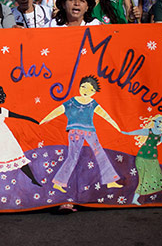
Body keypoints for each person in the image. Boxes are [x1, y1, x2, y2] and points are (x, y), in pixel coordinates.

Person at [40, 76, 122, 212]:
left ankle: (110, 180)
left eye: (90, 89)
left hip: (90, 132)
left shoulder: (93, 103)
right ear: (79, 86)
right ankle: (59, 182)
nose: (86, 90)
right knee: (73, 157)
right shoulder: (71, 102)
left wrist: (116, 125)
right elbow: (57, 111)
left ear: (94, 92)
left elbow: (105, 115)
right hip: (75, 132)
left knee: (100, 153)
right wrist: (44, 120)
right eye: (83, 86)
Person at [121, 115, 162, 205]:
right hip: (142, 158)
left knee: (159, 178)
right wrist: (126, 133)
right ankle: (135, 199)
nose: (157, 123)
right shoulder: (149, 131)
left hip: (152, 159)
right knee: (144, 179)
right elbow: (136, 132)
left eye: (160, 122)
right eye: (156, 121)